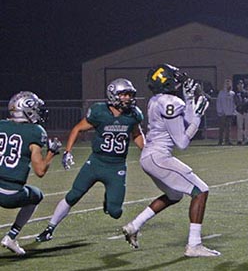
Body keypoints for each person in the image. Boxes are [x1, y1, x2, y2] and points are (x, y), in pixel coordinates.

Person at [121, 63, 219, 257]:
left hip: (150, 156)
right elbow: (182, 141)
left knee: (174, 195)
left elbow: (184, 120)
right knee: (201, 191)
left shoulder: (157, 100)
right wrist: (198, 116)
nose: (177, 81)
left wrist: (190, 99)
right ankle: (194, 245)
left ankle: (134, 226)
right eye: (173, 78)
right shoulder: (170, 103)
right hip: (159, 157)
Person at [36, 78, 145, 243]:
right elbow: (77, 128)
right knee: (73, 195)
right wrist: (68, 152)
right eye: (124, 94)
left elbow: (136, 134)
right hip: (95, 163)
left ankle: (108, 200)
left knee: (116, 212)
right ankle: (49, 228)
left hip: (116, 167)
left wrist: (147, 150)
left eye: (129, 94)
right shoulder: (99, 112)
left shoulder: (133, 114)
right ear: (113, 95)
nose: (128, 98)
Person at [0, 92, 62, 255]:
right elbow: (40, 170)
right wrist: (51, 152)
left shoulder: (1, 125)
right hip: (10, 193)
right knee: (36, 195)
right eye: (36, 108)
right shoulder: (34, 131)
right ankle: (11, 236)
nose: (39, 112)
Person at [216, 79, 235, 145]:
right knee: (222, 128)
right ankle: (220, 141)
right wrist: (220, 111)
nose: (228, 85)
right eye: (227, 84)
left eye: (229, 84)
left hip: (229, 113)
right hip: (223, 113)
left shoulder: (232, 93)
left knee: (228, 128)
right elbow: (219, 103)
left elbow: (233, 103)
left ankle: (228, 140)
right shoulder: (221, 93)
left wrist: (233, 111)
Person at [234, 80, 248, 145]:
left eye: (241, 84)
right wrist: (241, 103)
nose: (240, 85)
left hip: (247, 111)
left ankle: (247, 139)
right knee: (240, 126)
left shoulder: (247, 93)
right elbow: (236, 102)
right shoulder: (236, 94)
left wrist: (244, 102)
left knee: (247, 126)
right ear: (237, 86)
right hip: (239, 111)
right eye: (239, 84)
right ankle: (239, 139)